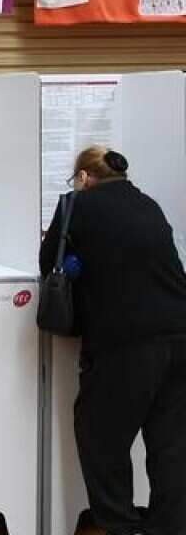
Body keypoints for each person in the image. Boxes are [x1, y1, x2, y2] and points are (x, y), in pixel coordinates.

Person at [40, 147, 186, 535]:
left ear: (85, 177)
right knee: (170, 446)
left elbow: (47, 262)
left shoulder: (77, 206)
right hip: (178, 335)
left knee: (100, 438)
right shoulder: (148, 204)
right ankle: (169, 528)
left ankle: (123, 528)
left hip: (125, 342)